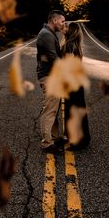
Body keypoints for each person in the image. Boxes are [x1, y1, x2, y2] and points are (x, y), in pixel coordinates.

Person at [36, 9, 66, 153]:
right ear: (54, 20)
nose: (63, 24)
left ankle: (54, 136)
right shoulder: (47, 35)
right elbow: (55, 59)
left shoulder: (49, 33)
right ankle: (47, 143)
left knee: (54, 109)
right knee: (49, 110)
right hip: (49, 77)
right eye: (62, 21)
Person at [61, 22, 91, 150]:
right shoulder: (76, 45)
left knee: (72, 111)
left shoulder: (69, 46)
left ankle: (77, 142)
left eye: (66, 27)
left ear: (71, 31)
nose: (64, 27)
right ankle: (84, 139)